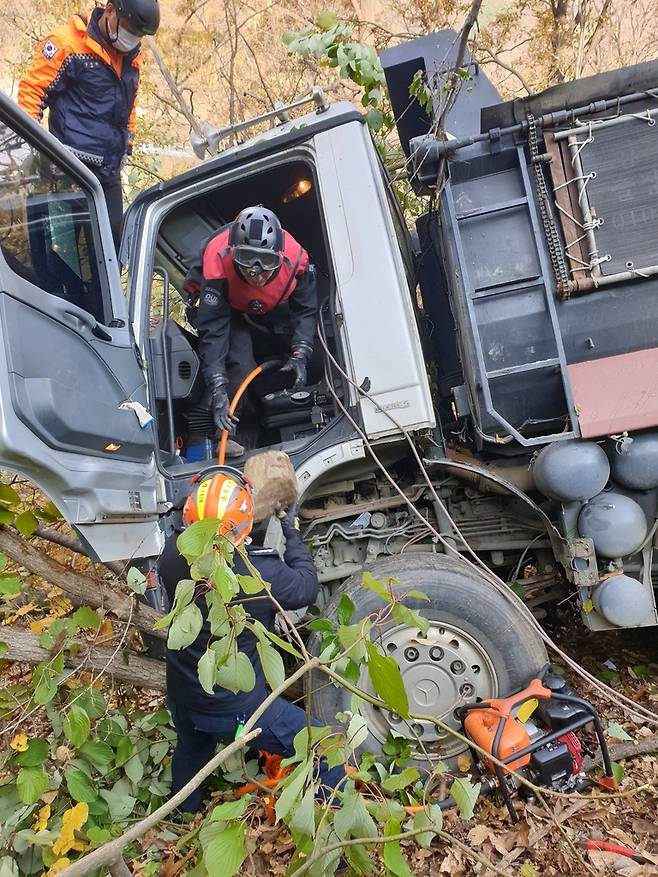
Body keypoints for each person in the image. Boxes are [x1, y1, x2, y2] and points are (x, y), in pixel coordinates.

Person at [161, 465, 343, 812]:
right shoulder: (260, 572)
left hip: (184, 698)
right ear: (242, 529)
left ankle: (181, 813)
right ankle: (330, 810)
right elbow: (305, 586)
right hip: (236, 710)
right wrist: (291, 533)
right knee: (322, 743)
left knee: (192, 749)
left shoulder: (172, 555)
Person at [17, 0, 160, 250]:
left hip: (108, 172)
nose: (132, 37)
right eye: (129, 29)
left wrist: (127, 144)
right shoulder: (67, 44)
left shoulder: (132, 58)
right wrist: (33, 148)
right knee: (65, 253)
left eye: (138, 34)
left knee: (112, 248)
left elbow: (130, 103)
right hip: (69, 167)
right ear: (110, 11)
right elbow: (32, 92)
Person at [183, 205, 318, 455]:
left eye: (266, 262)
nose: (256, 273)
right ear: (233, 253)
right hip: (227, 306)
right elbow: (214, 332)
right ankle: (216, 436)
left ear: (279, 256)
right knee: (240, 363)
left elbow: (306, 311)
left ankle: (266, 407)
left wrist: (301, 352)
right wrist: (218, 387)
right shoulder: (217, 262)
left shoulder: (297, 259)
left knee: (301, 354)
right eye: (247, 261)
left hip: (276, 304)